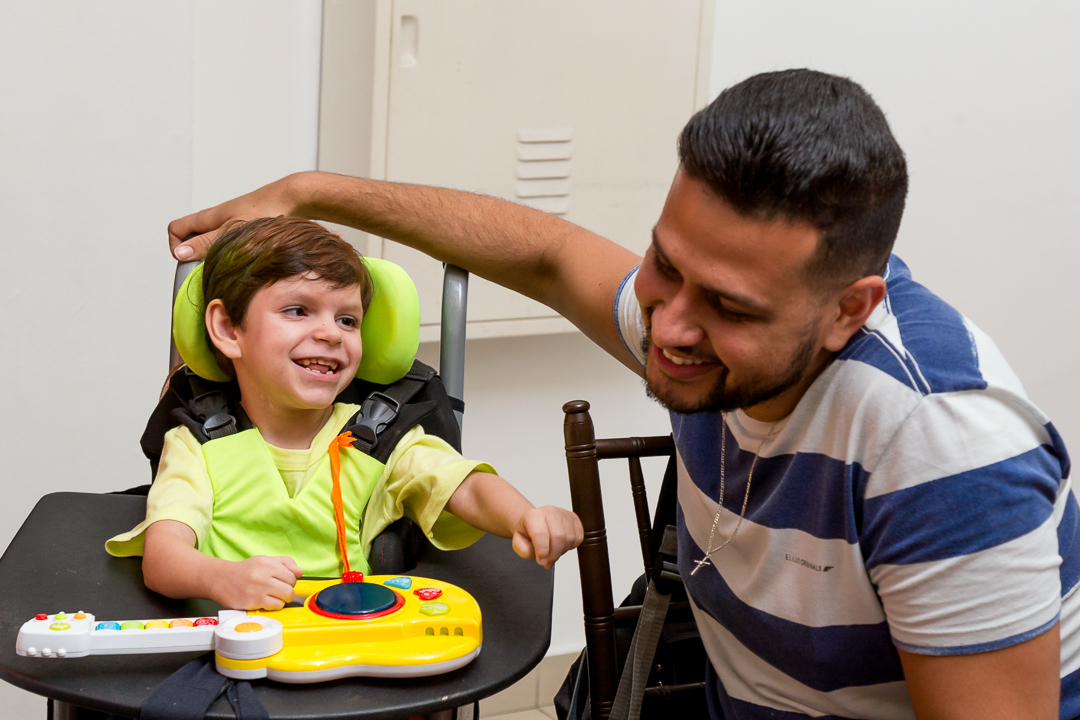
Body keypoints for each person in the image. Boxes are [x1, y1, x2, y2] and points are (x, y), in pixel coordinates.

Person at [167, 70, 1076, 719]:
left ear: (849, 311)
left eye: (727, 308)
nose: (667, 328)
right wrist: (310, 192)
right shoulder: (707, 318)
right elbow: (545, 253)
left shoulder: (942, 448)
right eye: (664, 266)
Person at [108, 216, 583, 611]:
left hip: (352, 646)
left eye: (347, 320)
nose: (332, 334)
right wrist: (223, 579)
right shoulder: (194, 446)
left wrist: (526, 516)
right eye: (298, 310)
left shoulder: (379, 440)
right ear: (229, 329)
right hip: (235, 646)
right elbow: (163, 558)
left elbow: (466, 487)